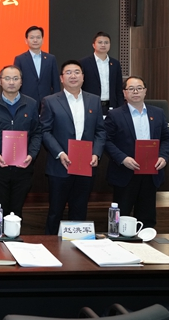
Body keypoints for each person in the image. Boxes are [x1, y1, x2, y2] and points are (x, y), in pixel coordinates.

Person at [40, 60, 105, 235]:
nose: (73, 76)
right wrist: (59, 153)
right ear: (61, 78)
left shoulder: (94, 101)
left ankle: (77, 247)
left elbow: (100, 131)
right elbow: (45, 131)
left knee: (79, 211)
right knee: (55, 212)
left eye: (77, 72)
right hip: (60, 166)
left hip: (86, 165)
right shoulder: (50, 101)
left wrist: (96, 153)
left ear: (83, 77)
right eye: (68, 72)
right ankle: (51, 246)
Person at [104, 76, 169, 228]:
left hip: (151, 172)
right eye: (131, 89)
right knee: (121, 219)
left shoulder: (158, 113)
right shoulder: (115, 115)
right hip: (125, 172)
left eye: (139, 88)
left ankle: (146, 241)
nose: (135, 92)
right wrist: (123, 159)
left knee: (147, 218)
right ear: (124, 93)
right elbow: (106, 141)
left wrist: (163, 156)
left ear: (145, 91)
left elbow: (166, 138)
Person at [0, 65, 42, 219]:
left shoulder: (31, 104)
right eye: (7, 78)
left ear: (21, 82)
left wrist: (31, 154)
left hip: (23, 168)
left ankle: (14, 235)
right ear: (0, 81)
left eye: (15, 78)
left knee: (16, 212)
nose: (11, 82)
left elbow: (37, 133)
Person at [13, 25, 60, 107]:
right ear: (26, 40)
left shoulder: (51, 58)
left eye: (38, 37)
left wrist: (57, 101)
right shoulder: (20, 59)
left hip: (47, 102)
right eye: (32, 38)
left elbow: (56, 82)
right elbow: (17, 81)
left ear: (43, 40)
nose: (35, 40)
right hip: (26, 102)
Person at [79, 31, 124, 115]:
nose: (103, 45)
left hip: (111, 106)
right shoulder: (84, 63)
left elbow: (118, 88)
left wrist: (120, 106)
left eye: (106, 43)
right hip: (90, 106)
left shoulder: (115, 63)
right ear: (93, 45)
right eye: (100, 42)